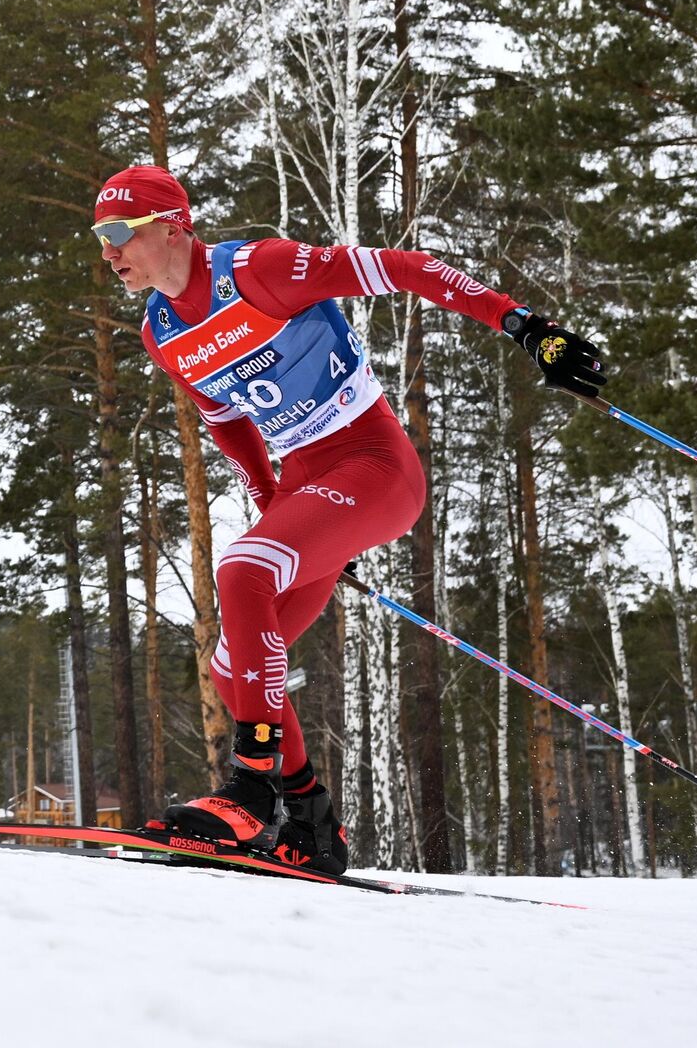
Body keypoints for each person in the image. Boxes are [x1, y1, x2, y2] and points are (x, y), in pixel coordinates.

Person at [92, 165, 605, 874]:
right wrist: (279, 504)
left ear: (172, 225)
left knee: (242, 569)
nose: (108, 250)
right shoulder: (160, 331)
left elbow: (405, 267)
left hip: (373, 465)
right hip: (309, 480)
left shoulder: (260, 270)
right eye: (100, 237)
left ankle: (249, 790)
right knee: (229, 666)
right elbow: (226, 417)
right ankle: (309, 821)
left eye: (120, 233)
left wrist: (523, 325)